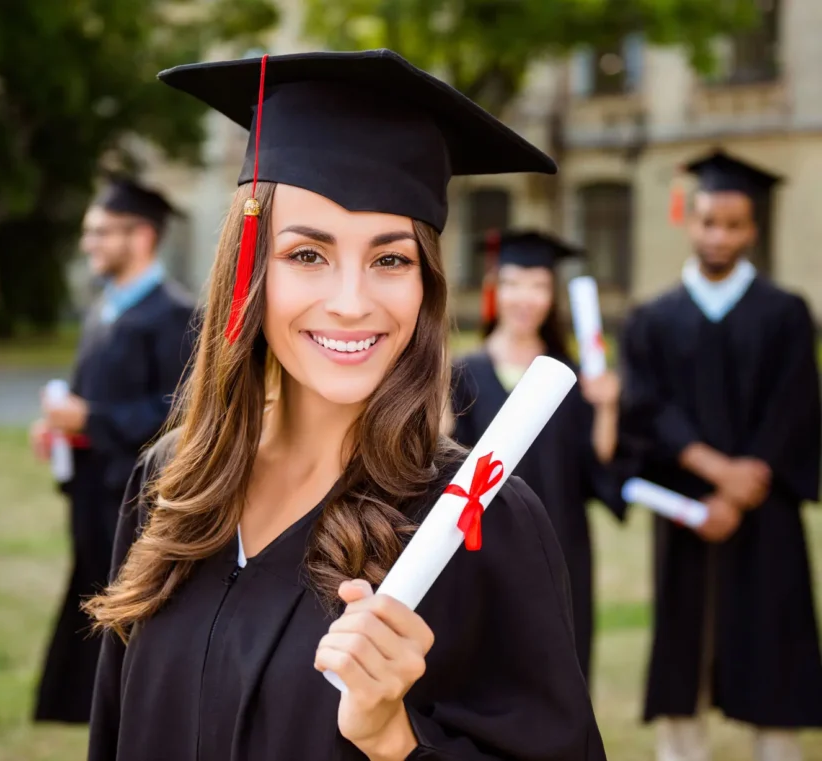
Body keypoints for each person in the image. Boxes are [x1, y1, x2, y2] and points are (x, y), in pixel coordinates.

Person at [83, 49, 606, 761]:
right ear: (249, 269)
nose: (353, 302)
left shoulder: (477, 524)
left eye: (390, 259)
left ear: (425, 287)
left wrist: (395, 738)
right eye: (307, 254)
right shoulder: (171, 486)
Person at [619, 148, 822, 761]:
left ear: (752, 228)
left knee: (773, 641)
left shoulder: (786, 314)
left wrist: (744, 483)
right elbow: (645, 409)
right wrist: (715, 473)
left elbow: (794, 408)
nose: (719, 236)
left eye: (733, 225)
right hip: (687, 508)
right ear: (690, 220)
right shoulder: (652, 319)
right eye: (709, 221)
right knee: (685, 643)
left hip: (765, 511)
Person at [30, 176, 196, 724]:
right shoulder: (105, 309)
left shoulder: (173, 313)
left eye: (101, 232)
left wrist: (92, 419)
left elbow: (182, 409)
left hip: (140, 500)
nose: (89, 244)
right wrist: (62, 429)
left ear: (142, 236)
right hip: (92, 493)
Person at [449, 230, 625, 683]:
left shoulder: (573, 376)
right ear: (495, 289)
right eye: (512, 283)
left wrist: (605, 406)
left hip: (561, 543)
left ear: (552, 296)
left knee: (561, 668)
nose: (525, 297)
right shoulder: (462, 374)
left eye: (539, 286)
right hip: (484, 550)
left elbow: (598, 469)